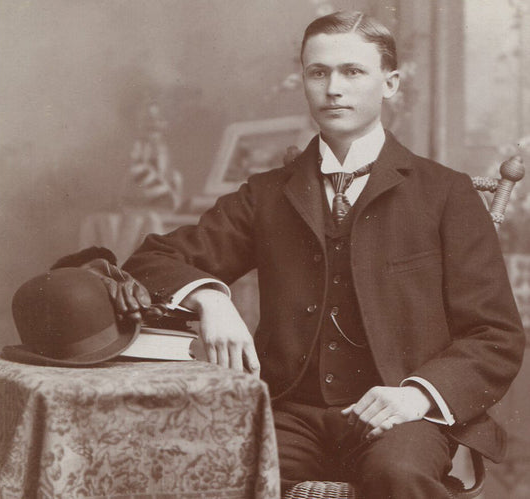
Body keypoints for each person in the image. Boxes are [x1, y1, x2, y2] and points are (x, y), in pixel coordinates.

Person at [119, 10, 524, 498]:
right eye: (319, 72)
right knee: (210, 468)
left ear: (390, 83)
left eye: (353, 71)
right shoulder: (268, 193)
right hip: (292, 412)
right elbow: (151, 259)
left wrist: (415, 396)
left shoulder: (446, 194)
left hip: (399, 415)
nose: (334, 88)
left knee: (399, 476)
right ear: (305, 82)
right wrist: (210, 297)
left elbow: (495, 334)